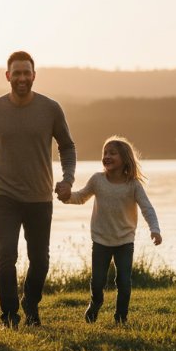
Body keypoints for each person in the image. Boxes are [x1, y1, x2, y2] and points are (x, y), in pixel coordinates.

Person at [0, 50, 76, 328]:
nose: (21, 78)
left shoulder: (50, 109)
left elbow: (67, 146)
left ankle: (30, 302)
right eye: (16, 73)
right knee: (6, 255)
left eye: (26, 72)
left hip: (40, 196)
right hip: (3, 194)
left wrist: (68, 179)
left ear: (34, 76)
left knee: (40, 259)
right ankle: (9, 315)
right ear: (7, 76)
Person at [62, 136, 161, 324]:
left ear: (125, 158)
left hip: (125, 241)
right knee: (98, 281)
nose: (107, 156)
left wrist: (154, 229)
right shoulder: (97, 180)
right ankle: (96, 302)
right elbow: (82, 197)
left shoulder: (133, 185)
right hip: (100, 240)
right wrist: (66, 197)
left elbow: (147, 208)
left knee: (124, 282)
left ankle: (121, 316)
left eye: (112, 153)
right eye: (105, 153)